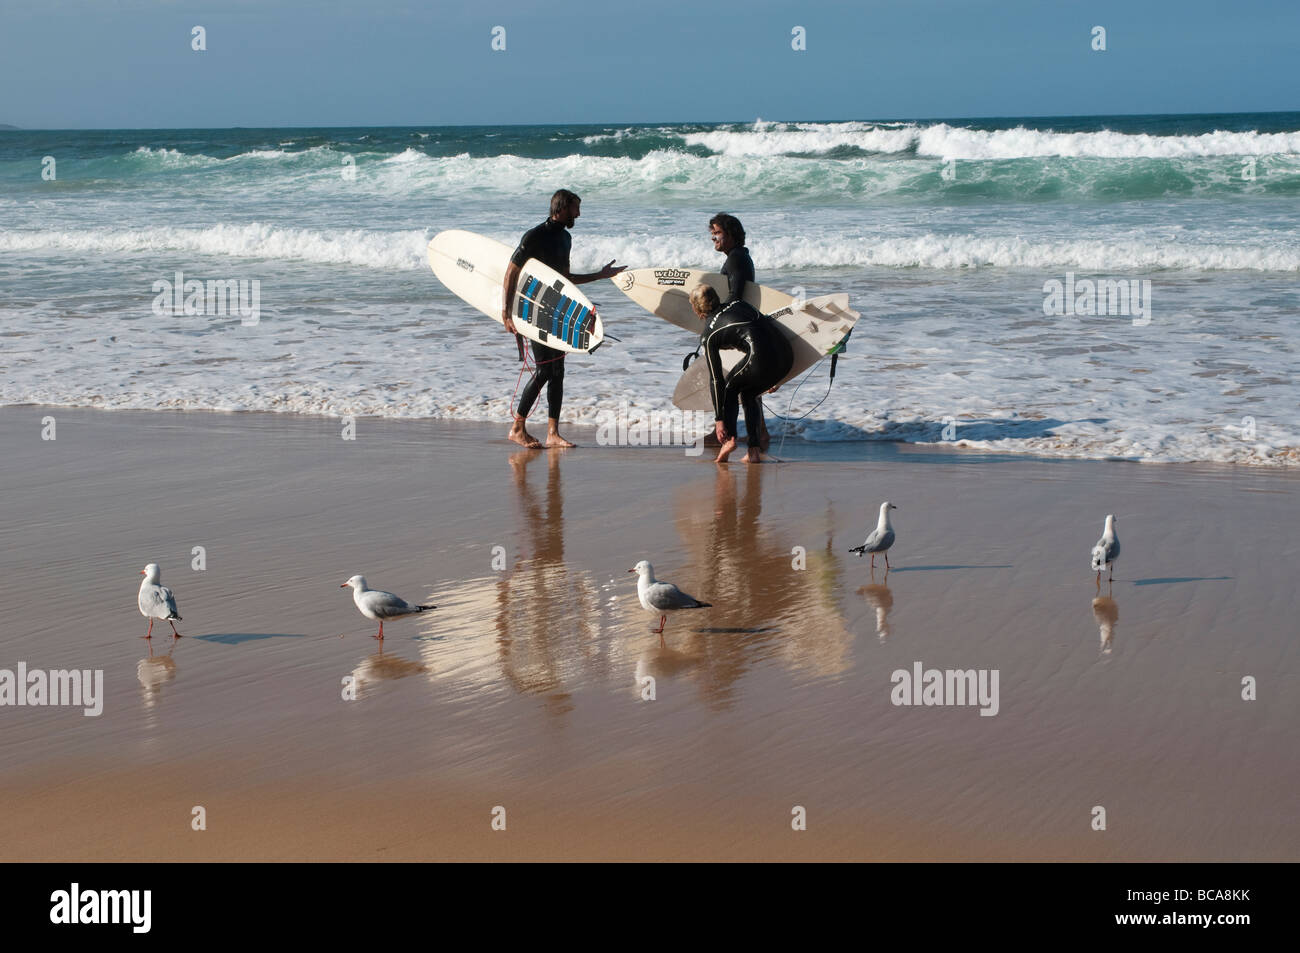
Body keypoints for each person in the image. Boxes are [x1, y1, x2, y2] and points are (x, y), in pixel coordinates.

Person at [502, 189, 625, 449]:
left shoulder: (565, 238)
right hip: (532, 310)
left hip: (556, 310)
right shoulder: (534, 236)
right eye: (575, 208)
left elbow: (565, 280)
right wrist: (507, 312)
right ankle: (517, 427)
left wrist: (599, 275)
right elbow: (512, 271)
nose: (578, 214)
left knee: (557, 372)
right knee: (545, 369)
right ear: (561, 207)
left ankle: (552, 433)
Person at [690, 284, 792, 464]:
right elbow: (769, 327)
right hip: (787, 356)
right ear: (716, 297)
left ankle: (729, 441)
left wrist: (720, 420)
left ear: (696, 309)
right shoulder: (739, 303)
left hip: (762, 360)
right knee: (748, 393)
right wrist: (778, 377)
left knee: (730, 386)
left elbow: (716, 379)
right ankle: (753, 451)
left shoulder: (709, 335)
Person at [707, 212, 769, 449]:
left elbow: (736, 296)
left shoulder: (736, 259)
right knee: (749, 383)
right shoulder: (738, 257)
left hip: (737, 328)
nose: (714, 239)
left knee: (731, 380)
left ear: (732, 234)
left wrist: (717, 319)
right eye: (712, 234)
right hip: (742, 326)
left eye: (718, 233)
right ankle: (759, 432)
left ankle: (727, 434)